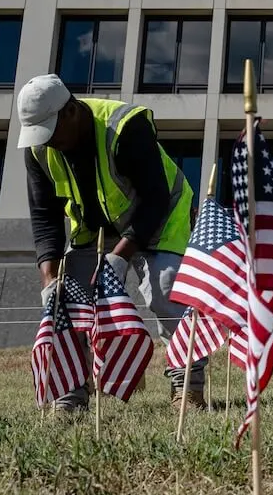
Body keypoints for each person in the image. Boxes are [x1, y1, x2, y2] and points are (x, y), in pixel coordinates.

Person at [17, 74, 205, 412]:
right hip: (95, 230)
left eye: (51, 130)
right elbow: (44, 218)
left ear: (71, 111)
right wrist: (50, 279)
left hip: (160, 217)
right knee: (65, 301)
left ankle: (187, 386)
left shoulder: (125, 127)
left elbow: (155, 199)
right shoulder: (39, 149)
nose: (49, 141)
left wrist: (118, 260)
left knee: (165, 288)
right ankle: (70, 395)